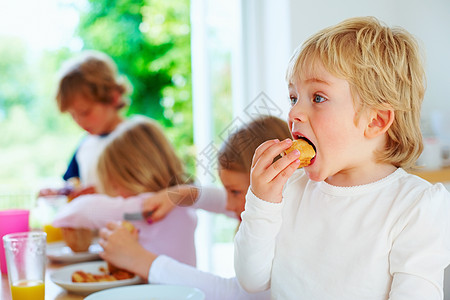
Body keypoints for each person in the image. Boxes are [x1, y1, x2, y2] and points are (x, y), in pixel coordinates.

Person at [233, 16, 450, 299]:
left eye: (318, 98)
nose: (294, 113)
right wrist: (261, 202)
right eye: (293, 97)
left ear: (375, 120)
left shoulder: (416, 206)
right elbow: (252, 279)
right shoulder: (290, 190)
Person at [98, 115, 292, 299]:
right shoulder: (284, 207)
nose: (227, 204)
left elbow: (237, 295)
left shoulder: (288, 233)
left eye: (234, 192)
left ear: (277, 180)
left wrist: (140, 260)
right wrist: (185, 193)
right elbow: (224, 200)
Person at [53, 116, 197, 266]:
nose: (116, 194)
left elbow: (78, 212)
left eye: (115, 186)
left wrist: (58, 214)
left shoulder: (143, 208)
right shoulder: (182, 204)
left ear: (133, 176)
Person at [39, 50, 131, 198]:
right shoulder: (86, 145)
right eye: (72, 115)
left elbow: (159, 192)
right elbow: (72, 182)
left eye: (84, 112)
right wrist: (59, 193)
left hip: (132, 220)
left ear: (113, 98)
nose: (79, 122)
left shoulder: (138, 138)